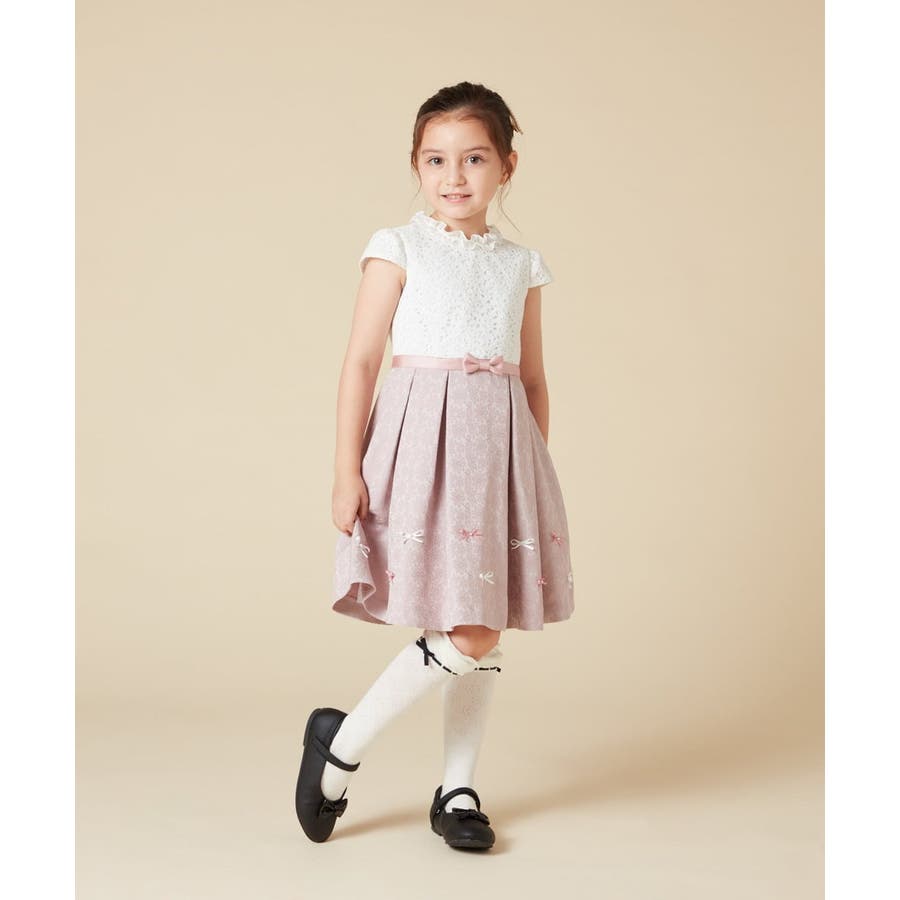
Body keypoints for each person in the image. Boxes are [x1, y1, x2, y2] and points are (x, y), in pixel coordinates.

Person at [295, 80, 575, 851]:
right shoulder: (398, 246)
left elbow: (534, 377)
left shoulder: (521, 264)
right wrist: (345, 470)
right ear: (416, 166)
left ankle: (457, 788)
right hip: (421, 447)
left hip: (501, 456)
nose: (455, 176)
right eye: (436, 159)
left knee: (478, 621)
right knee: (471, 627)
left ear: (507, 166)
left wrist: (531, 475)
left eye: (475, 158)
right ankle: (342, 745)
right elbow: (360, 362)